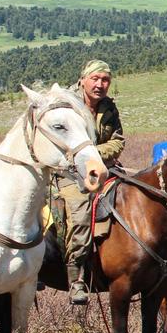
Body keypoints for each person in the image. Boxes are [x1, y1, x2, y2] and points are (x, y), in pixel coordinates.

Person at [51, 60, 124, 304]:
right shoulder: (65, 106)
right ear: (83, 79)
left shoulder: (108, 108)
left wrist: (94, 153)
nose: (100, 85)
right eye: (95, 79)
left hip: (104, 168)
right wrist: (86, 155)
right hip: (69, 172)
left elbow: (118, 141)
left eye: (105, 80)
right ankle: (76, 277)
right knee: (81, 212)